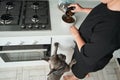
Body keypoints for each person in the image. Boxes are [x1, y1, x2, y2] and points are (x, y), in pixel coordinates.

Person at [63, 0, 120, 80]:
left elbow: (89, 56)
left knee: (79, 70)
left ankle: (75, 77)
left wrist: (76, 35)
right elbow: (101, 14)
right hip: (84, 45)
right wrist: (82, 10)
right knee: (76, 61)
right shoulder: (109, 4)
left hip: (88, 60)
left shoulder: (112, 29)